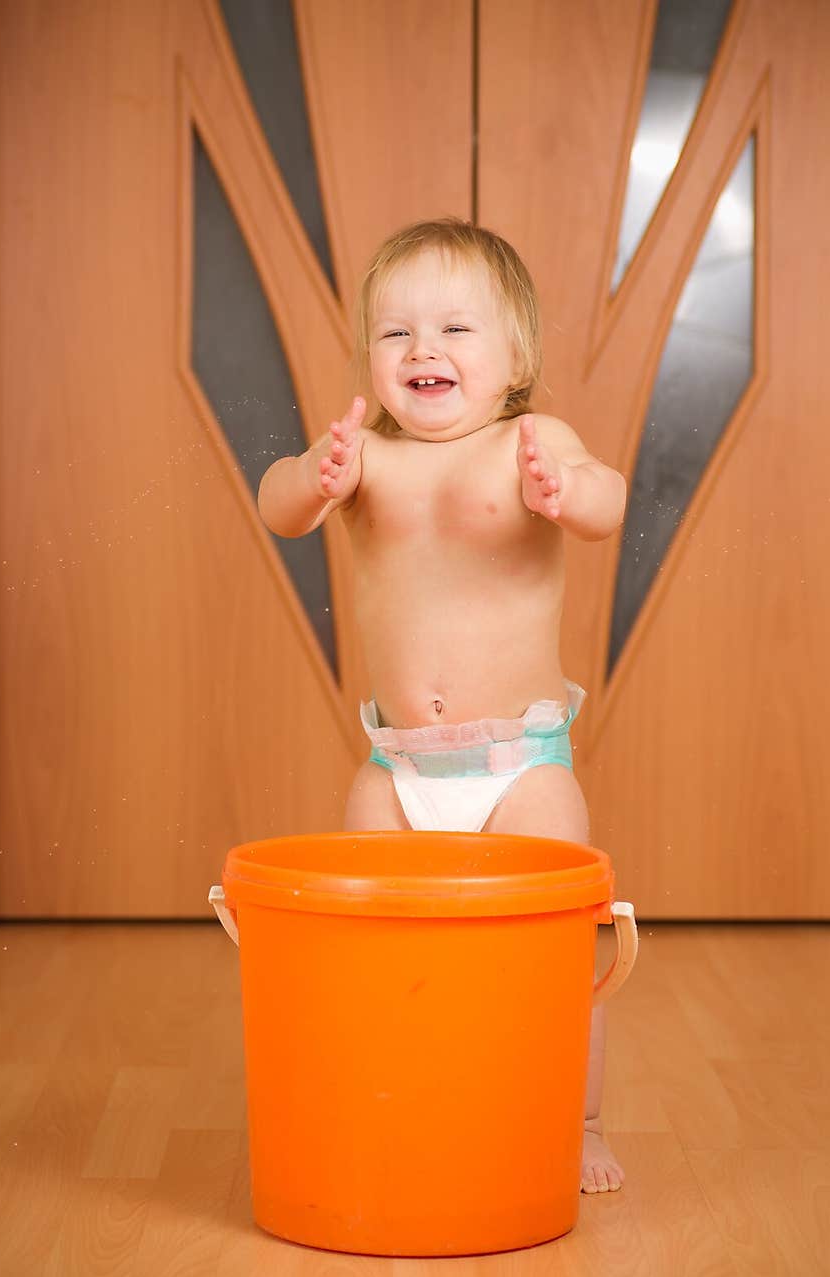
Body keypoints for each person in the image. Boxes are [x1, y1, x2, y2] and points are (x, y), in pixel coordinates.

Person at [258, 218, 627, 1194]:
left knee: (558, 949)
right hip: (399, 770)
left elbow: (609, 498)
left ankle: (574, 1120)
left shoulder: (531, 441)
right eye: (396, 333)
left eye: (455, 330)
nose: (422, 349)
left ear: (515, 363)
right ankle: (394, 1098)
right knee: (371, 949)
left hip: (521, 768)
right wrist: (312, 477)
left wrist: (566, 491)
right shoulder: (366, 460)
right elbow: (274, 503)